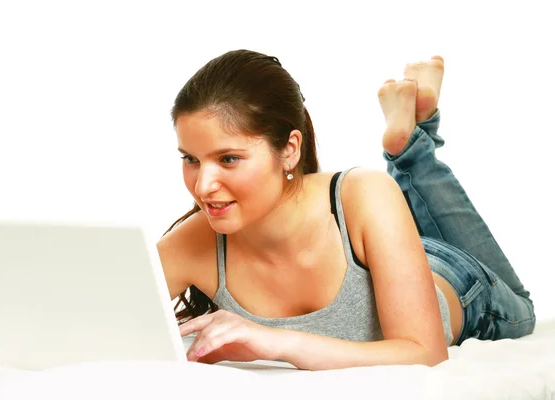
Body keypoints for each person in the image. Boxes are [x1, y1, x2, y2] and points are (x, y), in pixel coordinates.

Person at [156, 50, 536, 371]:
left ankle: (413, 150)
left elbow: (426, 354)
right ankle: (413, 135)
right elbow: (105, 319)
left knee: (524, 306)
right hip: (380, 246)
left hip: (453, 280)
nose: (202, 186)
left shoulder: (363, 193)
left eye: (228, 158)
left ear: (289, 149)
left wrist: (276, 343)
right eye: (190, 158)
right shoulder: (195, 241)